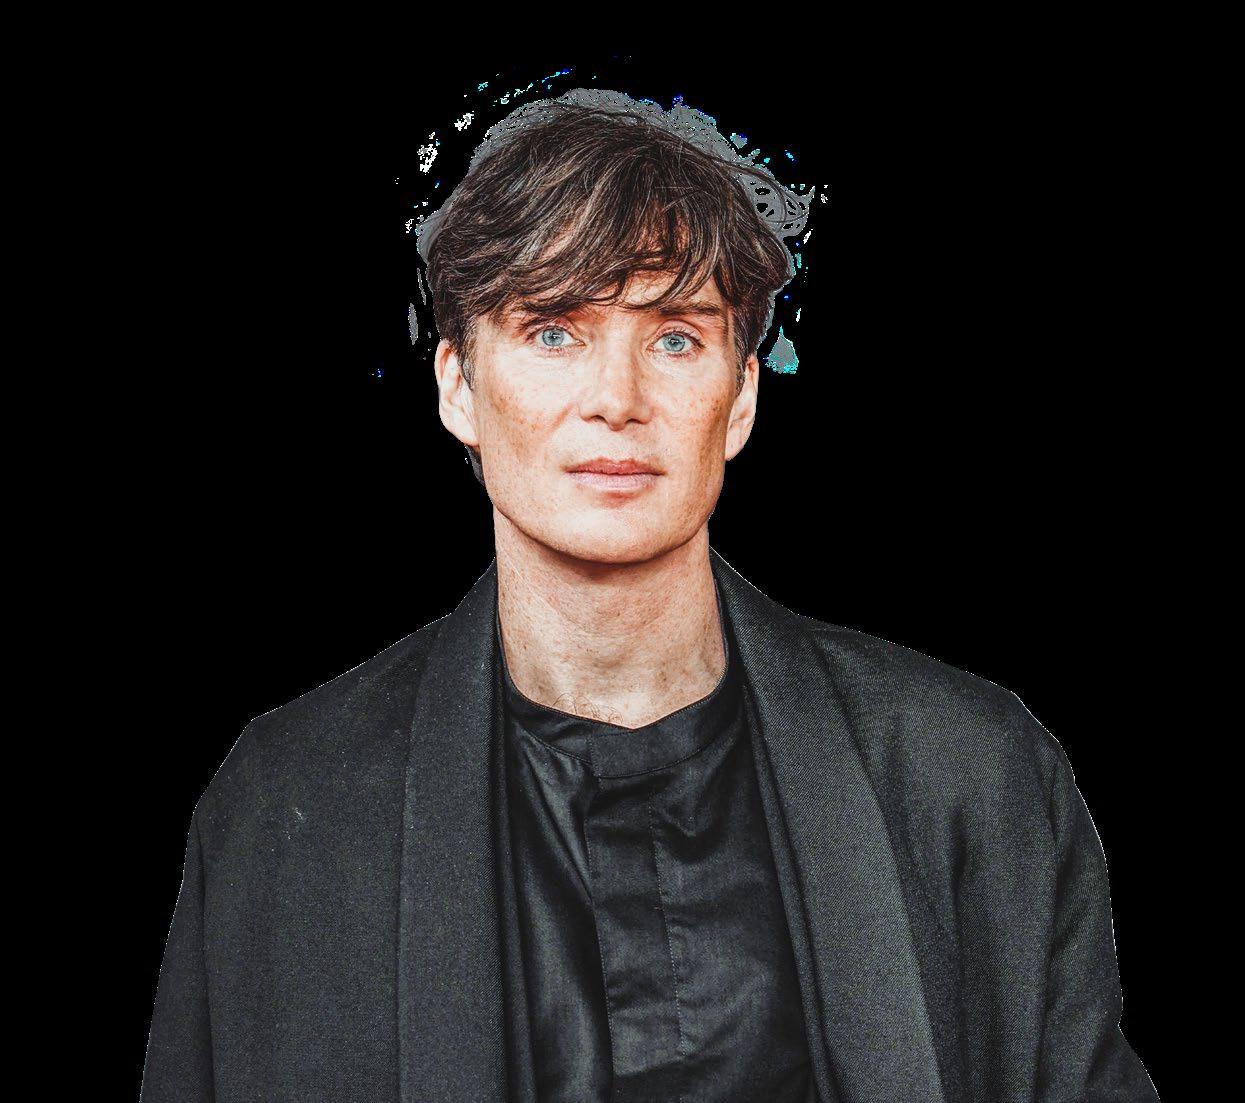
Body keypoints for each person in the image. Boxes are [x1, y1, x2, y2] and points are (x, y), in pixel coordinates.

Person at [140, 89, 1159, 1102]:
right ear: (457, 386)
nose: (616, 399)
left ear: (740, 395)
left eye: (674, 336)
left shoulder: (972, 778)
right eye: (553, 330)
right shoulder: (284, 809)